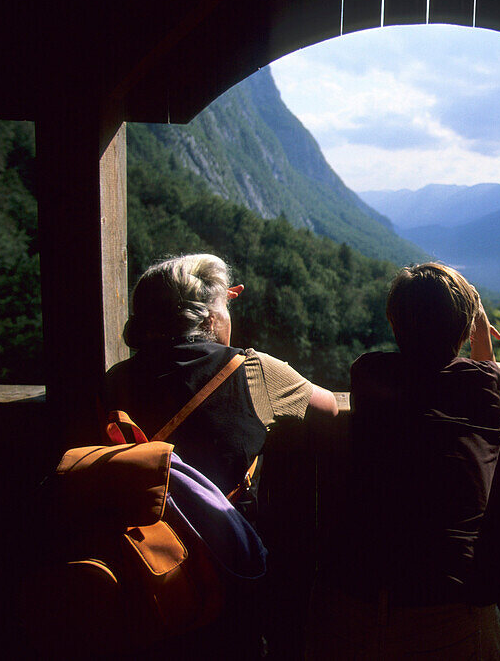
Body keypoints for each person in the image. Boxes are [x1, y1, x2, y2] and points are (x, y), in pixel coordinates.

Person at [101, 254, 338, 653]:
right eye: (225, 306)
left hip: (139, 575)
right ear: (209, 318)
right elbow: (329, 408)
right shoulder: (252, 371)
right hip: (224, 574)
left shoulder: (115, 381)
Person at [307, 262, 500, 660]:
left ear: (394, 322)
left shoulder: (368, 374)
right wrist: (477, 315)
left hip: (353, 596)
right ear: (467, 323)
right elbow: (488, 368)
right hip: (451, 605)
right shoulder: (492, 384)